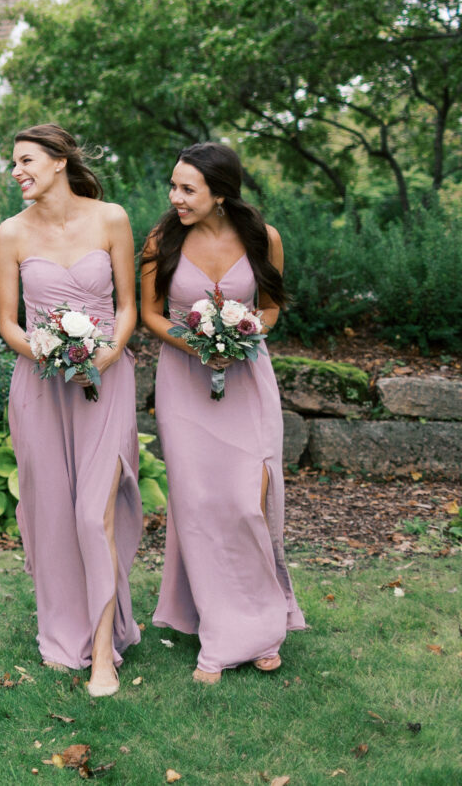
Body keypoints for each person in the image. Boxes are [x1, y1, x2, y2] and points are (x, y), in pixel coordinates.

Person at [140, 143, 305, 683]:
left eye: (188, 189)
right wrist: (196, 344)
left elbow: (271, 307)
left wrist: (242, 334)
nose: (175, 197)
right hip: (184, 385)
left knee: (246, 501)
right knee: (199, 504)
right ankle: (221, 630)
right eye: (174, 185)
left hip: (247, 382)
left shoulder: (264, 238)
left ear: (220, 193)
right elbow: (149, 314)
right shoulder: (163, 239)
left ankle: (261, 622)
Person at [0, 124, 141, 697]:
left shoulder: (111, 219)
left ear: (58, 163)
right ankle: (65, 633)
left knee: (92, 514)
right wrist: (48, 353)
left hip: (105, 380)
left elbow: (127, 307)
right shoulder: (11, 232)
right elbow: (8, 320)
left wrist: (102, 357)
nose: (17, 172)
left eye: (26, 161)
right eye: (14, 163)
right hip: (40, 384)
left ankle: (103, 654)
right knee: (54, 514)